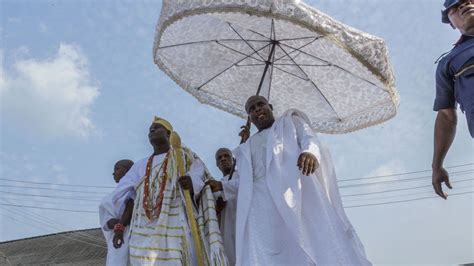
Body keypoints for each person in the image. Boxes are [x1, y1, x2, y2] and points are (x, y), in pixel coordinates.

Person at [229, 95, 370, 265]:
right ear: (250, 118)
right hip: (260, 206)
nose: (257, 109)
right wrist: (221, 185)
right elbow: (243, 182)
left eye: (260, 104)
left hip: (293, 194)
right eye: (251, 109)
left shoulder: (290, 122)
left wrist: (310, 152)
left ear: (270, 107)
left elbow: (309, 138)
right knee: (264, 253)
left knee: (307, 243)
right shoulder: (247, 145)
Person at [109, 116, 228, 265]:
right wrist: (120, 227)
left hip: (176, 222)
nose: (152, 129)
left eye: (157, 127)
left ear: (169, 134)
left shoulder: (184, 156)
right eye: (150, 129)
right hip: (142, 227)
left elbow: (200, 175)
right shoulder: (140, 165)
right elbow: (125, 197)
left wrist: (192, 181)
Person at [432, 0, 474, 199]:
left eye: (470, 0)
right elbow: (446, 116)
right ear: (450, 22)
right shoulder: (448, 63)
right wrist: (437, 165)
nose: (465, 6)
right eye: (456, 7)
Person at [99, 159, 134, 266]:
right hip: (117, 240)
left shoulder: (138, 190)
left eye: (117, 169)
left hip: (137, 235)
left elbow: (132, 204)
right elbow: (107, 223)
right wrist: (121, 224)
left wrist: (121, 223)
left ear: (128, 171)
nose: (114, 173)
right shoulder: (109, 198)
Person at [208, 148, 238, 265]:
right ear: (216, 164)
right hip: (226, 230)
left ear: (233, 159)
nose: (223, 159)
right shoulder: (214, 187)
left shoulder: (244, 176)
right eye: (219, 158)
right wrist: (217, 208)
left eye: (226, 156)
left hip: (244, 226)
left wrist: (223, 186)